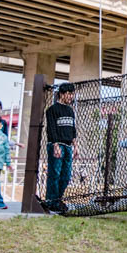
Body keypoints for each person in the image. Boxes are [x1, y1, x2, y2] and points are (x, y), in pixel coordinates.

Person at [44, 83, 76, 213]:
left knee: (66, 175)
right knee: (55, 174)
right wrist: (55, 145)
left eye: (72, 94)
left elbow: (73, 129)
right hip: (57, 145)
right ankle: (51, 201)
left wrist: (76, 145)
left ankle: (57, 199)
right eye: (68, 93)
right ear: (61, 94)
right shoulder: (52, 110)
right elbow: (51, 129)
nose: (71, 96)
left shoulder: (70, 110)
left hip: (68, 146)